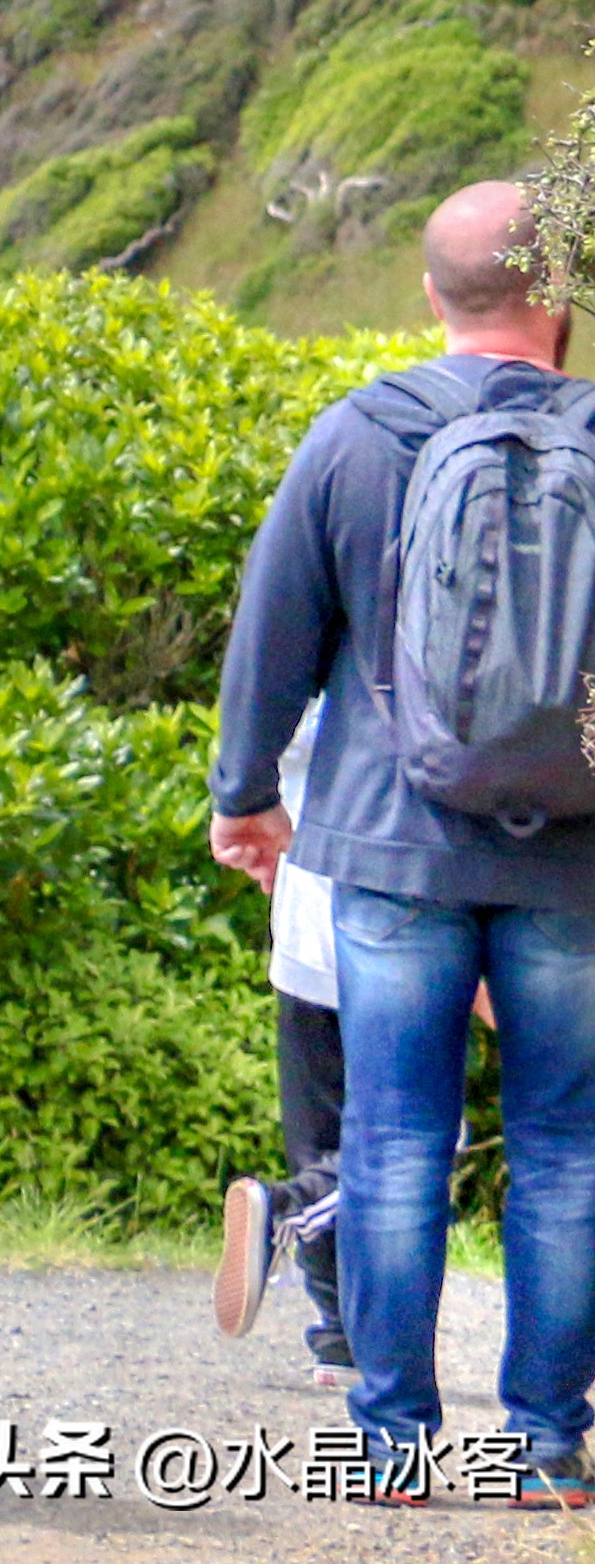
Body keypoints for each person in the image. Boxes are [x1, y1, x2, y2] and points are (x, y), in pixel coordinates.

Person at [211, 178, 595, 1506]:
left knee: (387, 1140)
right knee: (563, 1142)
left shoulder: (353, 436)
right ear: (557, 296)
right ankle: (548, 1443)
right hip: (573, 861)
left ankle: (388, 1442)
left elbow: (268, 640)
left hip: (383, 844)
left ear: (427, 296)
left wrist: (244, 796)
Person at [213, 699, 354, 1390]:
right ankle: (291, 1206)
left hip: (301, 930)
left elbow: (255, 761)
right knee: (421, 1138)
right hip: (400, 927)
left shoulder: (298, 672)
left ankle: (338, 1339)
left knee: (322, 1135)